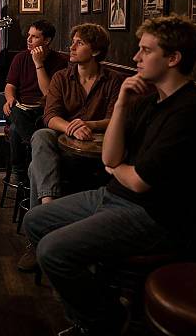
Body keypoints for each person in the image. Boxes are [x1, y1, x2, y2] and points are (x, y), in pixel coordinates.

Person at [23, 15, 196, 336]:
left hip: (154, 215)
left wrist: (116, 169)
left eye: (145, 51)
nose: (135, 57)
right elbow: (110, 157)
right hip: (115, 195)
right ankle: (101, 301)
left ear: (173, 58)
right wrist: (122, 103)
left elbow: (137, 180)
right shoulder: (148, 101)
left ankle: (99, 321)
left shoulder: (190, 110)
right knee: (33, 221)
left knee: (52, 251)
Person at [18, 23, 122, 271]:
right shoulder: (62, 77)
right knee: (42, 135)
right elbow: (50, 116)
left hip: (97, 153)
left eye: (79, 43)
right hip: (62, 148)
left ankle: (37, 238)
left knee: (35, 168)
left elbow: (117, 117)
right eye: (72, 41)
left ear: (95, 51)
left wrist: (88, 123)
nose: (71, 47)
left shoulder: (113, 80)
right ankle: (48, 209)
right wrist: (71, 127)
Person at [3, 20, 68, 184]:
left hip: (43, 110)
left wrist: (38, 64)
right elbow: (10, 86)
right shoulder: (20, 58)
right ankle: (37, 157)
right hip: (21, 108)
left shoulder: (59, 62)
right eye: (29, 35)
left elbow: (49, 94)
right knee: (16, 113)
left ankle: (21, 172)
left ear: (46, 40)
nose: (29, 40)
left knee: (16, 129)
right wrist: (10, 98)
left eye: (34, 37)